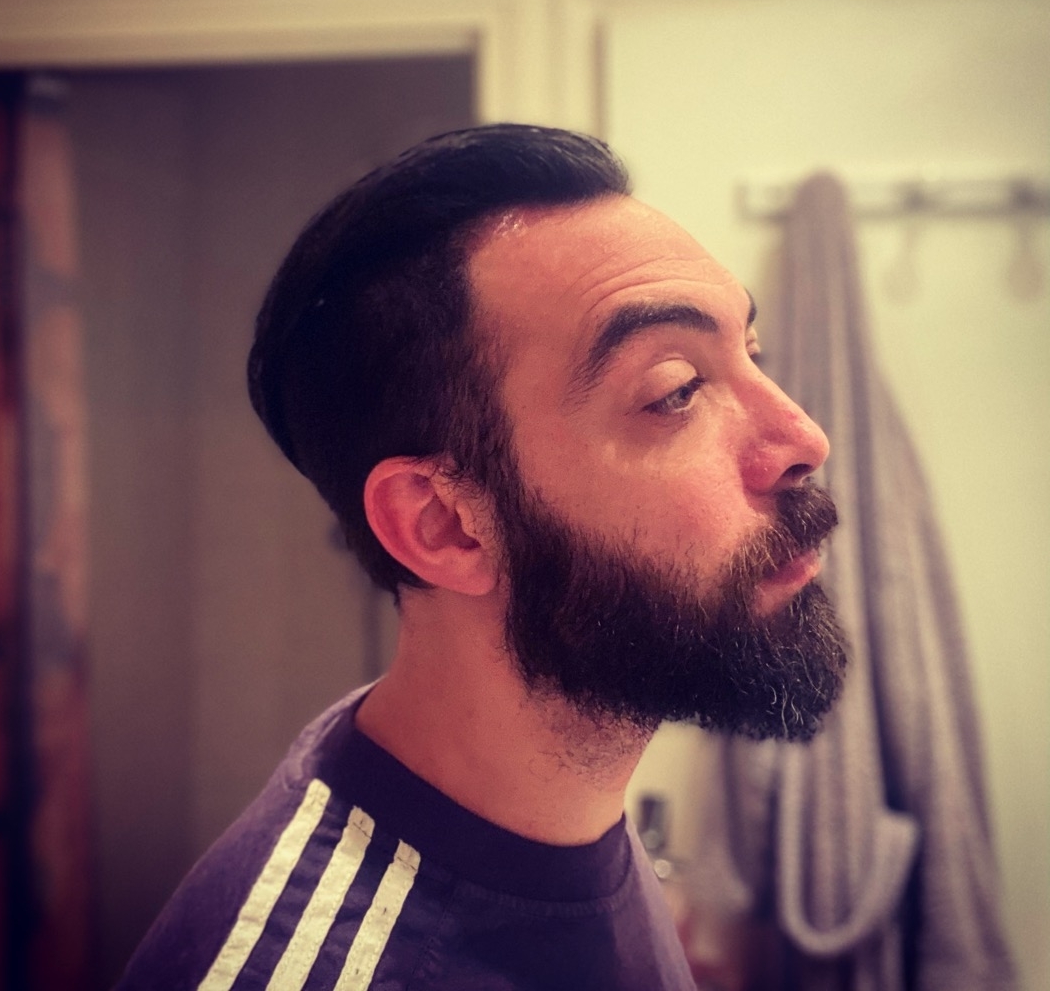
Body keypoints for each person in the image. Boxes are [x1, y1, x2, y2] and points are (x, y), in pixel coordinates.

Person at [116, 125, 846, 991]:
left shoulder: (534, 811)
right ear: (445, 526)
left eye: (753, 356)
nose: (805, 437)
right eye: (675, 391)